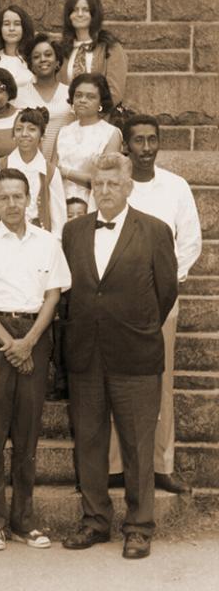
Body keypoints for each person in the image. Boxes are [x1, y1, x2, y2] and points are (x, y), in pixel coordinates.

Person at [61, 154, 178, 560]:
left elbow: (165, 293)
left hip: (136, 354)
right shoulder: (72, 232)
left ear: (128, 186)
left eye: (113, 184)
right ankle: (95, 520)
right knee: (89, 443)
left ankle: (139, 526)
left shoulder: (156, 231)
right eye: (99, 185)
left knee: (138, 446)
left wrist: (136, 327)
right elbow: (68, 294)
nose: (105, 191)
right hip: (86, 355)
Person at [0, 167, 71, 552]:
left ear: (30, 200)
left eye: (17, 196)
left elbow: (53, 297)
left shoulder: (48, 242)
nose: (11, 203)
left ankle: (25, 521)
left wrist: (29, 343)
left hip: (36, 335)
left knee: (27, 434)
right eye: (3, 197)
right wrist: (11, 343)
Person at [104, 115, 201, 495]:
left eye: (152, 140)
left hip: (160, 300)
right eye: (138, 141)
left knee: (160, 382)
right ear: (126, 146)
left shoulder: (176, 187)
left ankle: (162, 465)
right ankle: (113, 465)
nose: (145, 148)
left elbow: (190, 241)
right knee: (114, 379)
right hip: (115, 299)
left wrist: (164, 285)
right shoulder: (118, 186)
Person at [0, 107, 67, 237]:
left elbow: (58, 215)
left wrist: (56, 243)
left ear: (42, 135)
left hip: (39, 237)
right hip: (4, 234)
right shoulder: (1, 165)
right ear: (13, 135)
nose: (24, 134)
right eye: (19, 129)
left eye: (32, 129)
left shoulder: (50, 171)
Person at [55, 73, 122, 200]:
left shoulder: (111, 133)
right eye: (78, 95)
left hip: (92, 202)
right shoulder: (63, 131)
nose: (82, 100)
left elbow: (106, 179)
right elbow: (52, 172)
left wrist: (67, 173)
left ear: (100, 103)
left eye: (90, 97)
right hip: (60, 201)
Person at [59, 0, 127, 106]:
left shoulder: (110, 48)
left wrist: (91, 116)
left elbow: (115, 93)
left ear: (94, 14)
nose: (80, 14)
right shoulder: (62, 50)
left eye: (85, 10)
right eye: (75, 10)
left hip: (100, 119)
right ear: (69, 15)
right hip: (66, 119)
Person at [16, 33, 73, 162]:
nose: (42, 59)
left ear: (57, 62)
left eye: (48, 55)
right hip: (28, 163)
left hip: (64, 165)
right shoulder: (19, 94)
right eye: (36, 57)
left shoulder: (71, 93)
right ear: (31, 65)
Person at [0, 5, 36, 94]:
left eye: (17, 24)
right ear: (0, 28)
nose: (11, 29)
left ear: (24, 28)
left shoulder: (33, 60)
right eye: (6, 24)